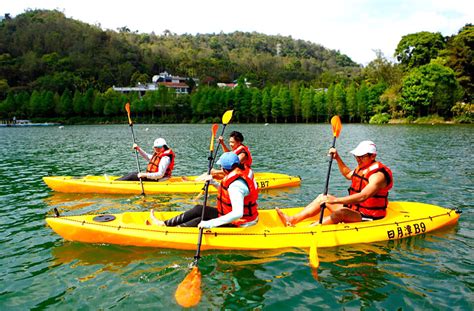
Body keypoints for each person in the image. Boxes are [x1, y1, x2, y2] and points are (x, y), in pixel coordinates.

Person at [276, 140, 393, 226]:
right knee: (322, 198)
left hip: (369, 216)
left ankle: (311, 228)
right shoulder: (363, 168)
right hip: (355, 209)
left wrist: (335, 200)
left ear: (373, 156)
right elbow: (348, 174)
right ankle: (292, 219)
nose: (358, 159)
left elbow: (363, 196)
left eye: (362, 156)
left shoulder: (378, 176)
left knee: (340, 213)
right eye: (357, 156)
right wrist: (337, 158)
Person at [149, 152, 259, 228]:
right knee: (198, 209)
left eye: (221, 167)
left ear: (225, 169)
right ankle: (164, 224)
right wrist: (214, 183)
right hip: (232, 214)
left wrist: (210, 224)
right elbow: (230, 193)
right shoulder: (242, 171)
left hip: (241, 222)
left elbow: (237, 213)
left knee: (200, 221)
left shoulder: (236, 185)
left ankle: (170, 231)